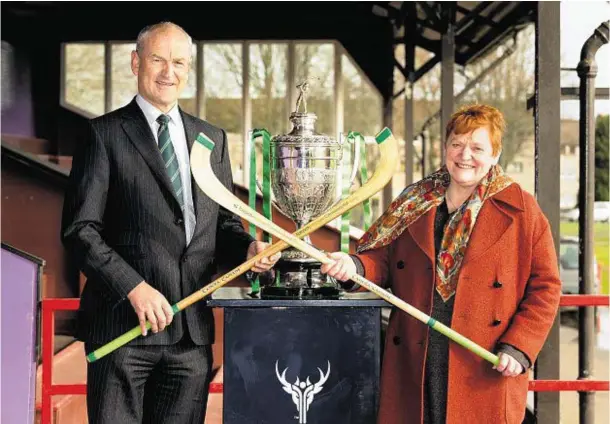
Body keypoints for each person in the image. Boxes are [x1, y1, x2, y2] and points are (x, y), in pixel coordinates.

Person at [61, 21, 280, 424]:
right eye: (158, 59)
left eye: (179, 62)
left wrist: (249, 248)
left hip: (191, 338)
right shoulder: (103, 134)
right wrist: (134, 288)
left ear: (189, 69)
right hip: (122, 333)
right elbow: (81, 230)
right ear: (135, 62)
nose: (169, 72)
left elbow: (224, 226)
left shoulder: (210, 139)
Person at [321, 104, 562, 424]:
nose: (465, 155)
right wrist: (355, 267)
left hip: (483, 365)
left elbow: (546, 286)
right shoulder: (415, 201)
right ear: (445, 148)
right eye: (457, 144)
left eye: (478, 148)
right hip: (415, 358)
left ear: (495, 155)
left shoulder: (521, 209)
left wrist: (520, 347)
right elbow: (383, 259)